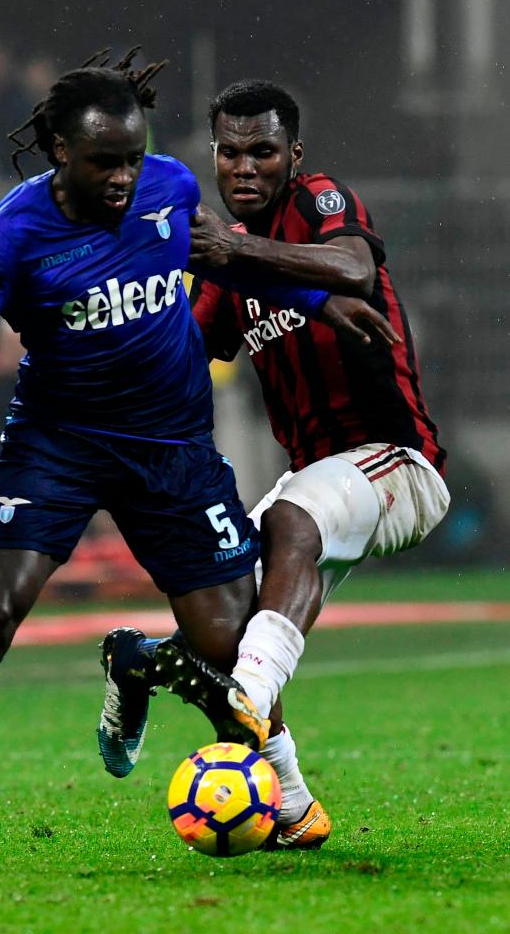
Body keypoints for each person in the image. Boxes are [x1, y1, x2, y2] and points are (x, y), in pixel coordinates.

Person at [0, 48, 303, 872]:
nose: (124, 178)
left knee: (227, 645)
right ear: (62, 151)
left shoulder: (170, 186)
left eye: (132, 158)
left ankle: (142, 671)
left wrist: (322, 299)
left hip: (173, 449)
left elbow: (224, 262)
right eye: (105, 162)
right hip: (55, 447)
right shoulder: (14, 233)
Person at [101, 80, 449, 852]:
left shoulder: (321, 203)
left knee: (291, 523)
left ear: (293, 156)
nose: (245, 167)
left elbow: (353, 270)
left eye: (262, 151)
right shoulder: (223, 273)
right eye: (229, 152)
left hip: (396, 461)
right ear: (214, 157)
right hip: (314, 478)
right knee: (219, 620)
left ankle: (250, 692)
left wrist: (229, 250)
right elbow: (180, 361)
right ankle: (289, 804)